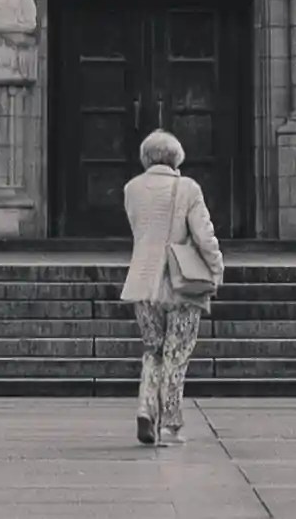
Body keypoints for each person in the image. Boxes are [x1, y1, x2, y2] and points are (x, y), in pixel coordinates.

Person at [119, 126, 225, 445]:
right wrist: (216, 268)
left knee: (153, 350)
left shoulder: (132, 189)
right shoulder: (188, 188)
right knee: (177, 352)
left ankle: (145, 407)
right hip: (181, 284)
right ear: (176, 156)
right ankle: (170, 423)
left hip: (142, 281)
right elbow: (204, 236)